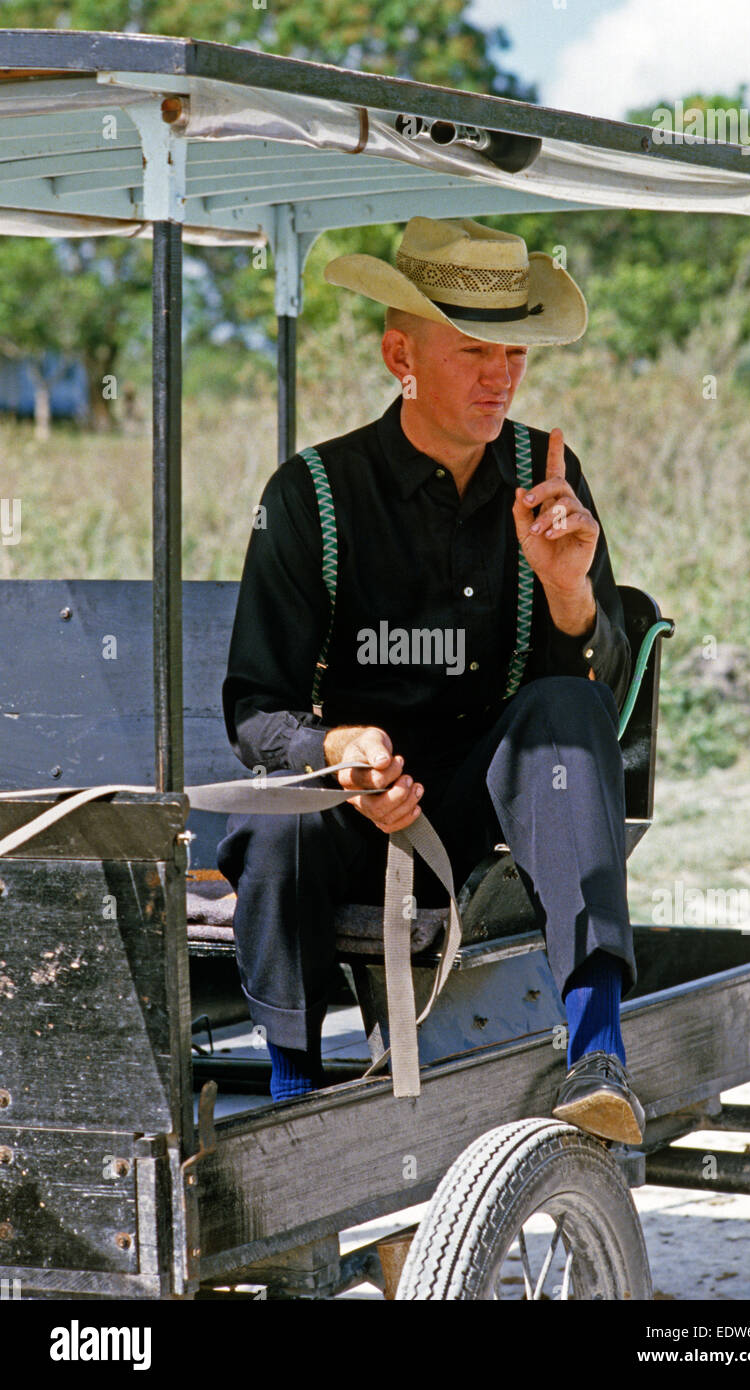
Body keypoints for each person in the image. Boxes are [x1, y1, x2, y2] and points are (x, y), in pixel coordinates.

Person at [217, 216, 645, 1144]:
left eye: (513, 351)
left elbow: (598, 702)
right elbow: (255, 708)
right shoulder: (310, 494)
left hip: (494, 817)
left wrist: (569, 591)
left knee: (566, 706)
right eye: (473, 350)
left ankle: (599, 1054)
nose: (501, 375)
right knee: (270, 809)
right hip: (355, 812)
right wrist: (338, 750)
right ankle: (295, 1098)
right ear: (399, 353)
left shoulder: (552, 485)